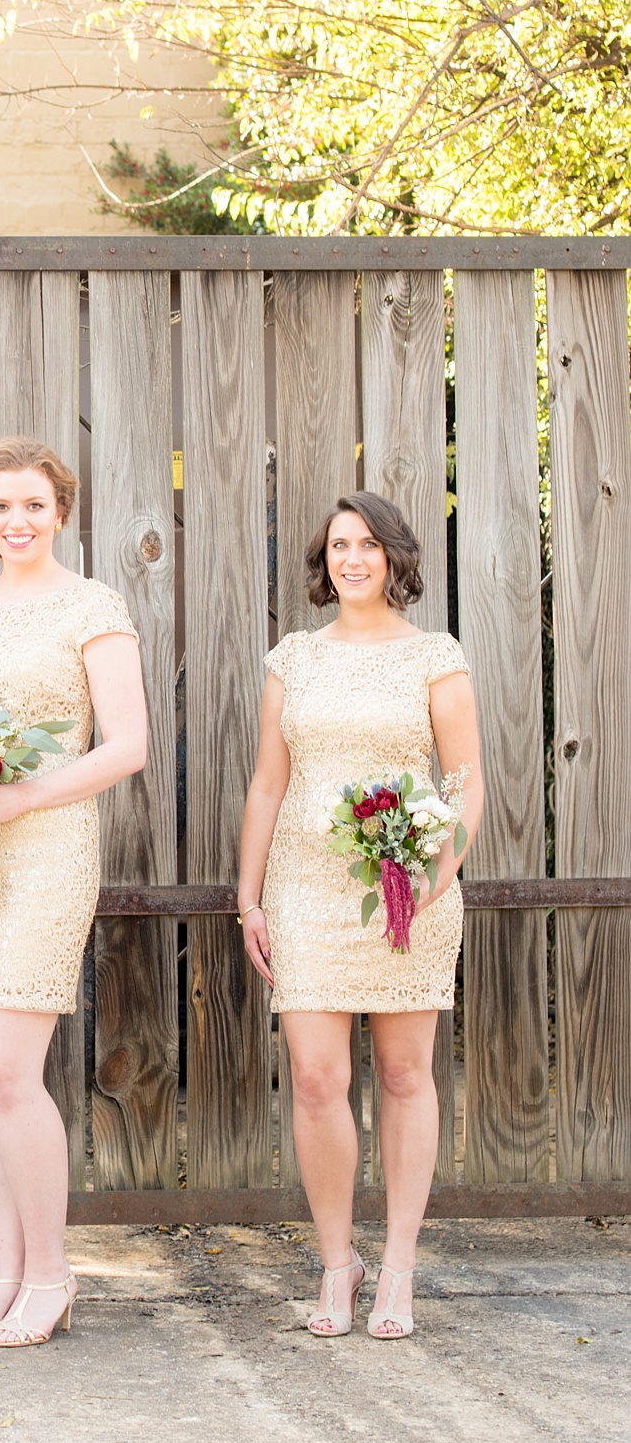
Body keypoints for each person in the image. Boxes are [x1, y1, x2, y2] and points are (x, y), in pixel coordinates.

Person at [0, 437, 148, 1349]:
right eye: (1, 506)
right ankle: (4, 1269)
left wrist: (15, 792)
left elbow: (125, 744)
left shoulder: (93, 606)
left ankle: (51, 1271)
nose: (17, 521)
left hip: (47, 847)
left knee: (12, 1069)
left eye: (35, 506)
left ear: (61, 511)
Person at [237, 492, 484, 1340]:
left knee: (407, 1075)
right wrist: (248, 896)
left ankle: (401, 1267)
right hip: (305, 888)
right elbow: (269, 781)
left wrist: (440, 868)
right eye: (340, 544)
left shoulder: (433, 657)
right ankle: (339, 1263)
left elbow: (464, 780)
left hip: (406, 888)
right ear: (324, 560)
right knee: (315, 1077)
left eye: (368, 544)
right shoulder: (292, 659)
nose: (352, 558)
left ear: (395, 558)